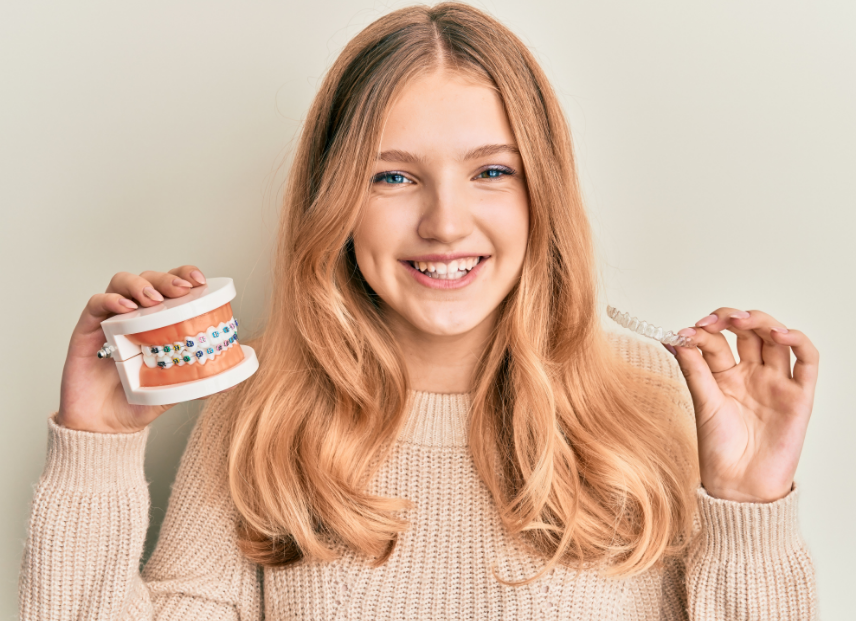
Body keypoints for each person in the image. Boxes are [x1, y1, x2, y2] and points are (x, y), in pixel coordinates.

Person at [19, 3, 819, 619]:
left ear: (543, 192)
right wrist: (98, 451)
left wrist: (748, 508)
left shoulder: (657, 399)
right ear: (336, 204)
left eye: (492, 172)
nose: (444, 222)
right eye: (393, 177)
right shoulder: (258, 408)